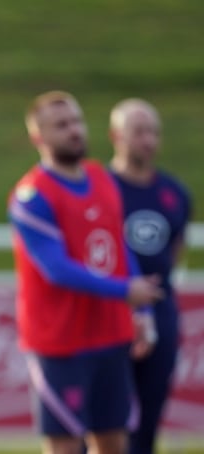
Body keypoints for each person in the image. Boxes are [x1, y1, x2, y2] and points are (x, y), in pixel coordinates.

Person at [7, 90, 165, 454]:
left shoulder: (100, 177)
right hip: (61, 342)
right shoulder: (32, 195)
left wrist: (141, 310)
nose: (74, 130)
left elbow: (119, 246)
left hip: (110, 334)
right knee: (65, 446)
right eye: (61, 125)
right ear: (38, 137)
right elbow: (57, 269)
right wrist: (126, 291)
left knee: (113, 441)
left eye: (76, 121)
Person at [108, 98, 192, 454]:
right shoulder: (99, 187)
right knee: (103, 419)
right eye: (139, 132)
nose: (148, 141)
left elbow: (174, 249)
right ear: (117, 135)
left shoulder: (174, 193)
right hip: (109, 312)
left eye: (154, 133)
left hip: (160, 312)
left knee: (148, 420)